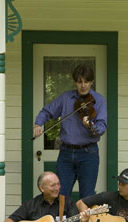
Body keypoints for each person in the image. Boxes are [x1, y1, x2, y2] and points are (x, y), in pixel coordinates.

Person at [33, 64, 108, 199]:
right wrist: (38, 123)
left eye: (86, 82)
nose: (83, 85)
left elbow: (102, 126)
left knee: (87, 196)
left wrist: (91, 126)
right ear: (75, 82)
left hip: (88, 153)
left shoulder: (99, 100)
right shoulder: (65, 98)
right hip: (66, 153)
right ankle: (62, 220)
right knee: (60, 195)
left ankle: (83, 221)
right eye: (79, 82)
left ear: (92, 82)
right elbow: (47, 111)